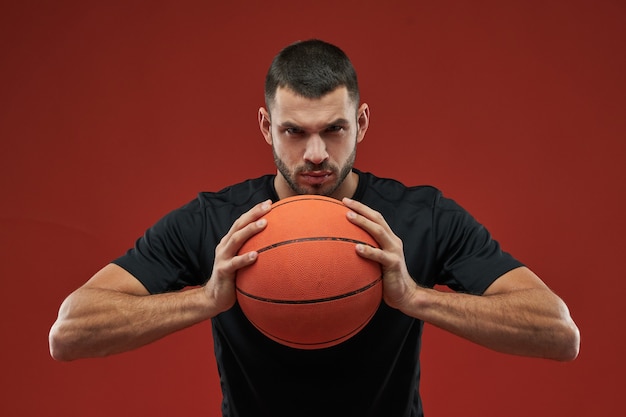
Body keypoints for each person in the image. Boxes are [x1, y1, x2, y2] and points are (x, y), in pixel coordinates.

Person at [49, 39, 580, 417]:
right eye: (294, 132)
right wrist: (205, 299)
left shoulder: (423, 217)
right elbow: (69, 334)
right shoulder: (217, 222)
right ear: (266, 127)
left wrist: (416, 297)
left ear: (362, 122)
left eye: (335, 129)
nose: (317, 154)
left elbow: (559, 334)